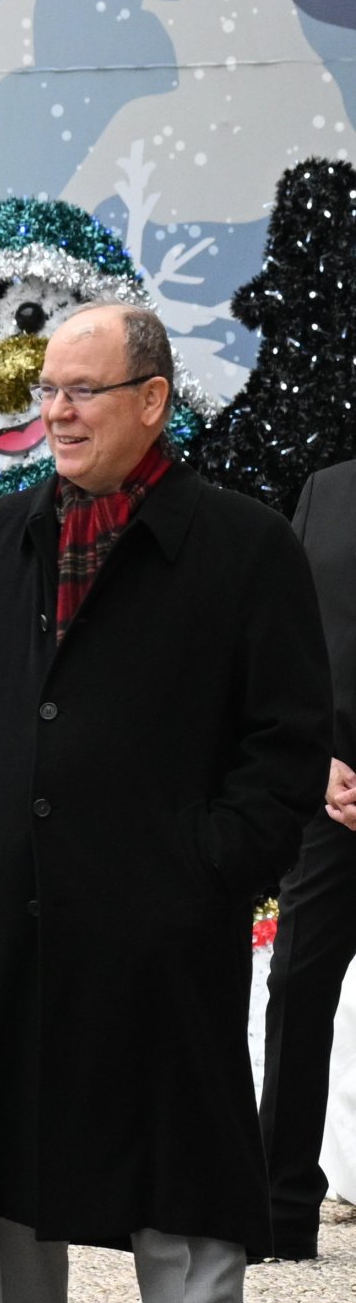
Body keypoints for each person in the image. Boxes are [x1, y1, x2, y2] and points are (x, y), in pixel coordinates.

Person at [0, 303, 331, 1303]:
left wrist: (210, 871)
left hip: (161, 926)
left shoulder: (243, 547)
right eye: (49, 391)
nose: (60, 412)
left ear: (153, 399)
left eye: (87, 390)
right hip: (3, 918)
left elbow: (285, 741)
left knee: (185, 1181)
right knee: (1, 1179)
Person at [259, 458, 356, 1259]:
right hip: (334, 792)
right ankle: (282, 1209)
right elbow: (285, 637)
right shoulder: (325, 488)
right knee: (296, 983)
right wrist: (315, 756)